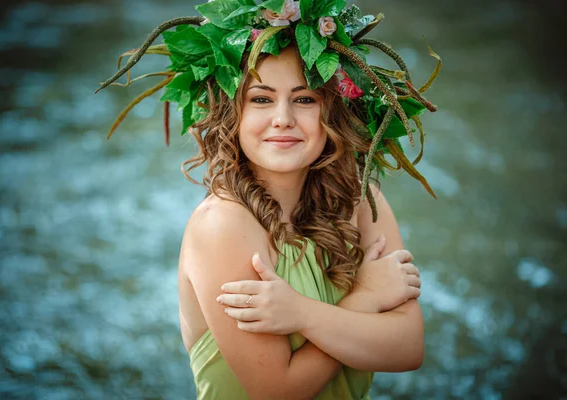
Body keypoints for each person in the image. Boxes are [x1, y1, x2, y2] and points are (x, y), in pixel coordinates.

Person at [95, 1, 441, 398]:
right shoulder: (222, 226)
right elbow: (276, 389)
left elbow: (409, 347)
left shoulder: (362, 200)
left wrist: (301, 314)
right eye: (261, 99)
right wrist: (365, 299)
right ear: (232, 112)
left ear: (333, 112)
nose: (283, 118)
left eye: (305, 99)